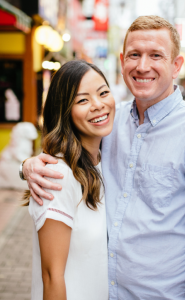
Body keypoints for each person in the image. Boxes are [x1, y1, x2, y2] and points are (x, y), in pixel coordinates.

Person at [22, 16, 185, 300]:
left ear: (176, 66)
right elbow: (71, 143)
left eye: (156, 55)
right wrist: (28, 165)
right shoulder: (110, 122)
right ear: (123, 61)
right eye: (134, 55)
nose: (143, 66)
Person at [25, 60, 115, 300]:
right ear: (64, 110)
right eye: (82, 100)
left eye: (103, 92)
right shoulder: (59, 175)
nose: (98, 105)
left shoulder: (104, 161)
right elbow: (51, 276)